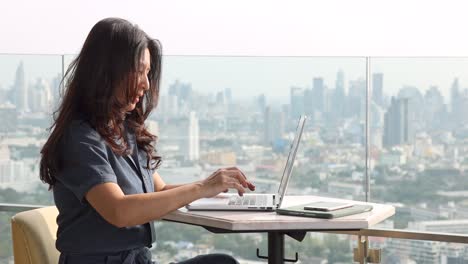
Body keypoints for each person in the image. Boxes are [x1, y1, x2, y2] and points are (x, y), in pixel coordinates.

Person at [39, 17, 255, 264]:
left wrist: (216, 189)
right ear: (107, 71)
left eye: (148, 73)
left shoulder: (125, 130)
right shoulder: (79, 138)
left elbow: (159, 191)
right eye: (139, 71)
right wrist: (201, 188)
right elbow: (119, 211)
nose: (146, 83)